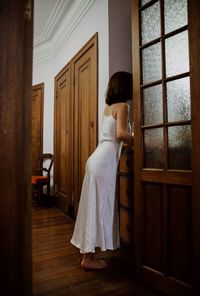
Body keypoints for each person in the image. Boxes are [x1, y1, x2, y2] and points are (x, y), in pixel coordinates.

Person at [70, 71, 134, 270]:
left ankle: (86, 254)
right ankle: (87, 259)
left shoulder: (108, 108)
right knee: (98, 207)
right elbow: (121, 133)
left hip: (96, 158)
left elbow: (112, 135)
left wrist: (126, 142)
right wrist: (137, 139)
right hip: (104, 161)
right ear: (126, 86)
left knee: (91, 206)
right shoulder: (124, 106)